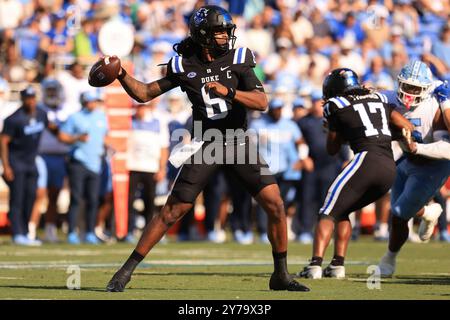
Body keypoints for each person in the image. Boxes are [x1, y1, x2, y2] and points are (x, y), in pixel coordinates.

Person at [105, 5, 309, 292]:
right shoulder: (184, 65)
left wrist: (230, 92)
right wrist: (122, 74)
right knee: (173, 210)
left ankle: (281, 274)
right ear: (203, 35)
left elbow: (262, 102)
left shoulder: (240, 58)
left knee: (275, 204)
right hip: (207, 143)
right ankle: (125, 271)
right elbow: (145, 93)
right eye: (219, 31)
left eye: (227, 30)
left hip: (238, 141)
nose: (226, 36)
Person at [298, 68, 413, 279]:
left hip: (366, 159)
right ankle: (337, 265)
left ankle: (314, 266)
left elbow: (332, 149)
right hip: (389, 167)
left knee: (327, 210)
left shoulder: (335, 105)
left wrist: (334, 131)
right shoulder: (378, 99)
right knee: (342, 210)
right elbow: (405, 125)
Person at [378, 61, 450, 276]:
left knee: (400, 213)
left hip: (433, 166)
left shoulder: (435, 106)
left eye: (415, 88)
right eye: (406, 86)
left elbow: (448, 149)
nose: (409, 93)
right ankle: (428, 212)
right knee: (395, 212)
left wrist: (416, 147)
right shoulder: (390, 98)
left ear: (426, 89)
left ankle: (389, 258)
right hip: (407, 159)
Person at [0, 86, 52, 245]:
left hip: (32, 162)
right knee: (18, 198)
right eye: (27, 98)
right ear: (22, 99)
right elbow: (3, 141)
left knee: (31, 197)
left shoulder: (42, 114)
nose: (31, 101)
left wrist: (71, 137)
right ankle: (18, 233)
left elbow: (52, 128)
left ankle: (25, 232)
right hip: (16, 163)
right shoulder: (13, 119)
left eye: (33, 98)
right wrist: (6, 166)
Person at [294, 91, 347, 244]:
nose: (317, 105)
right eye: (315, 101)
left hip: (331, 165)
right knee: (307, 198)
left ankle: (325, 231)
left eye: (320, 102)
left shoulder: (333, 119)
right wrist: (303, 158)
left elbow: (340, 139)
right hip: (312, 165)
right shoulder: (304, 122)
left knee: (327, 200)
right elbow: (298, 140)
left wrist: (345, 159)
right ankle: (305, 230)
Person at [58, 90, 108, 244]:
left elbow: (104, 136)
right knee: (76, 199)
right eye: (89, 101)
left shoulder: (101, 116)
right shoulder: (75, 117)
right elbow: (62, 136)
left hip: (95, 163)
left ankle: (90, 232)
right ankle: (72, 232)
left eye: (94, 101)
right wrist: (77, 138)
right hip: (78, 163)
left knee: (93, 200)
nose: (92, 104)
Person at [126, 101, 169, 242]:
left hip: (151, 168)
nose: (140, 110)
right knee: (129, 200)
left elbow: (163, 147)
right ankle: (129, 231)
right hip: (132, 167)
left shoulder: (158, 122)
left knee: (150, 201)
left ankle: (149, 232)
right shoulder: (129, 121)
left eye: (143, 106)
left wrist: (162, 168)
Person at [37, 78, 70, 242]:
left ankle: (50, 228)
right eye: (49, 90)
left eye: (54, 90)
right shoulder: (38, 109)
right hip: (41, 155)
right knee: (38, 193)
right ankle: (30, 229)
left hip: (59, 157)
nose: (51, 94)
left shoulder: (66, 110)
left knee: (54, 195)